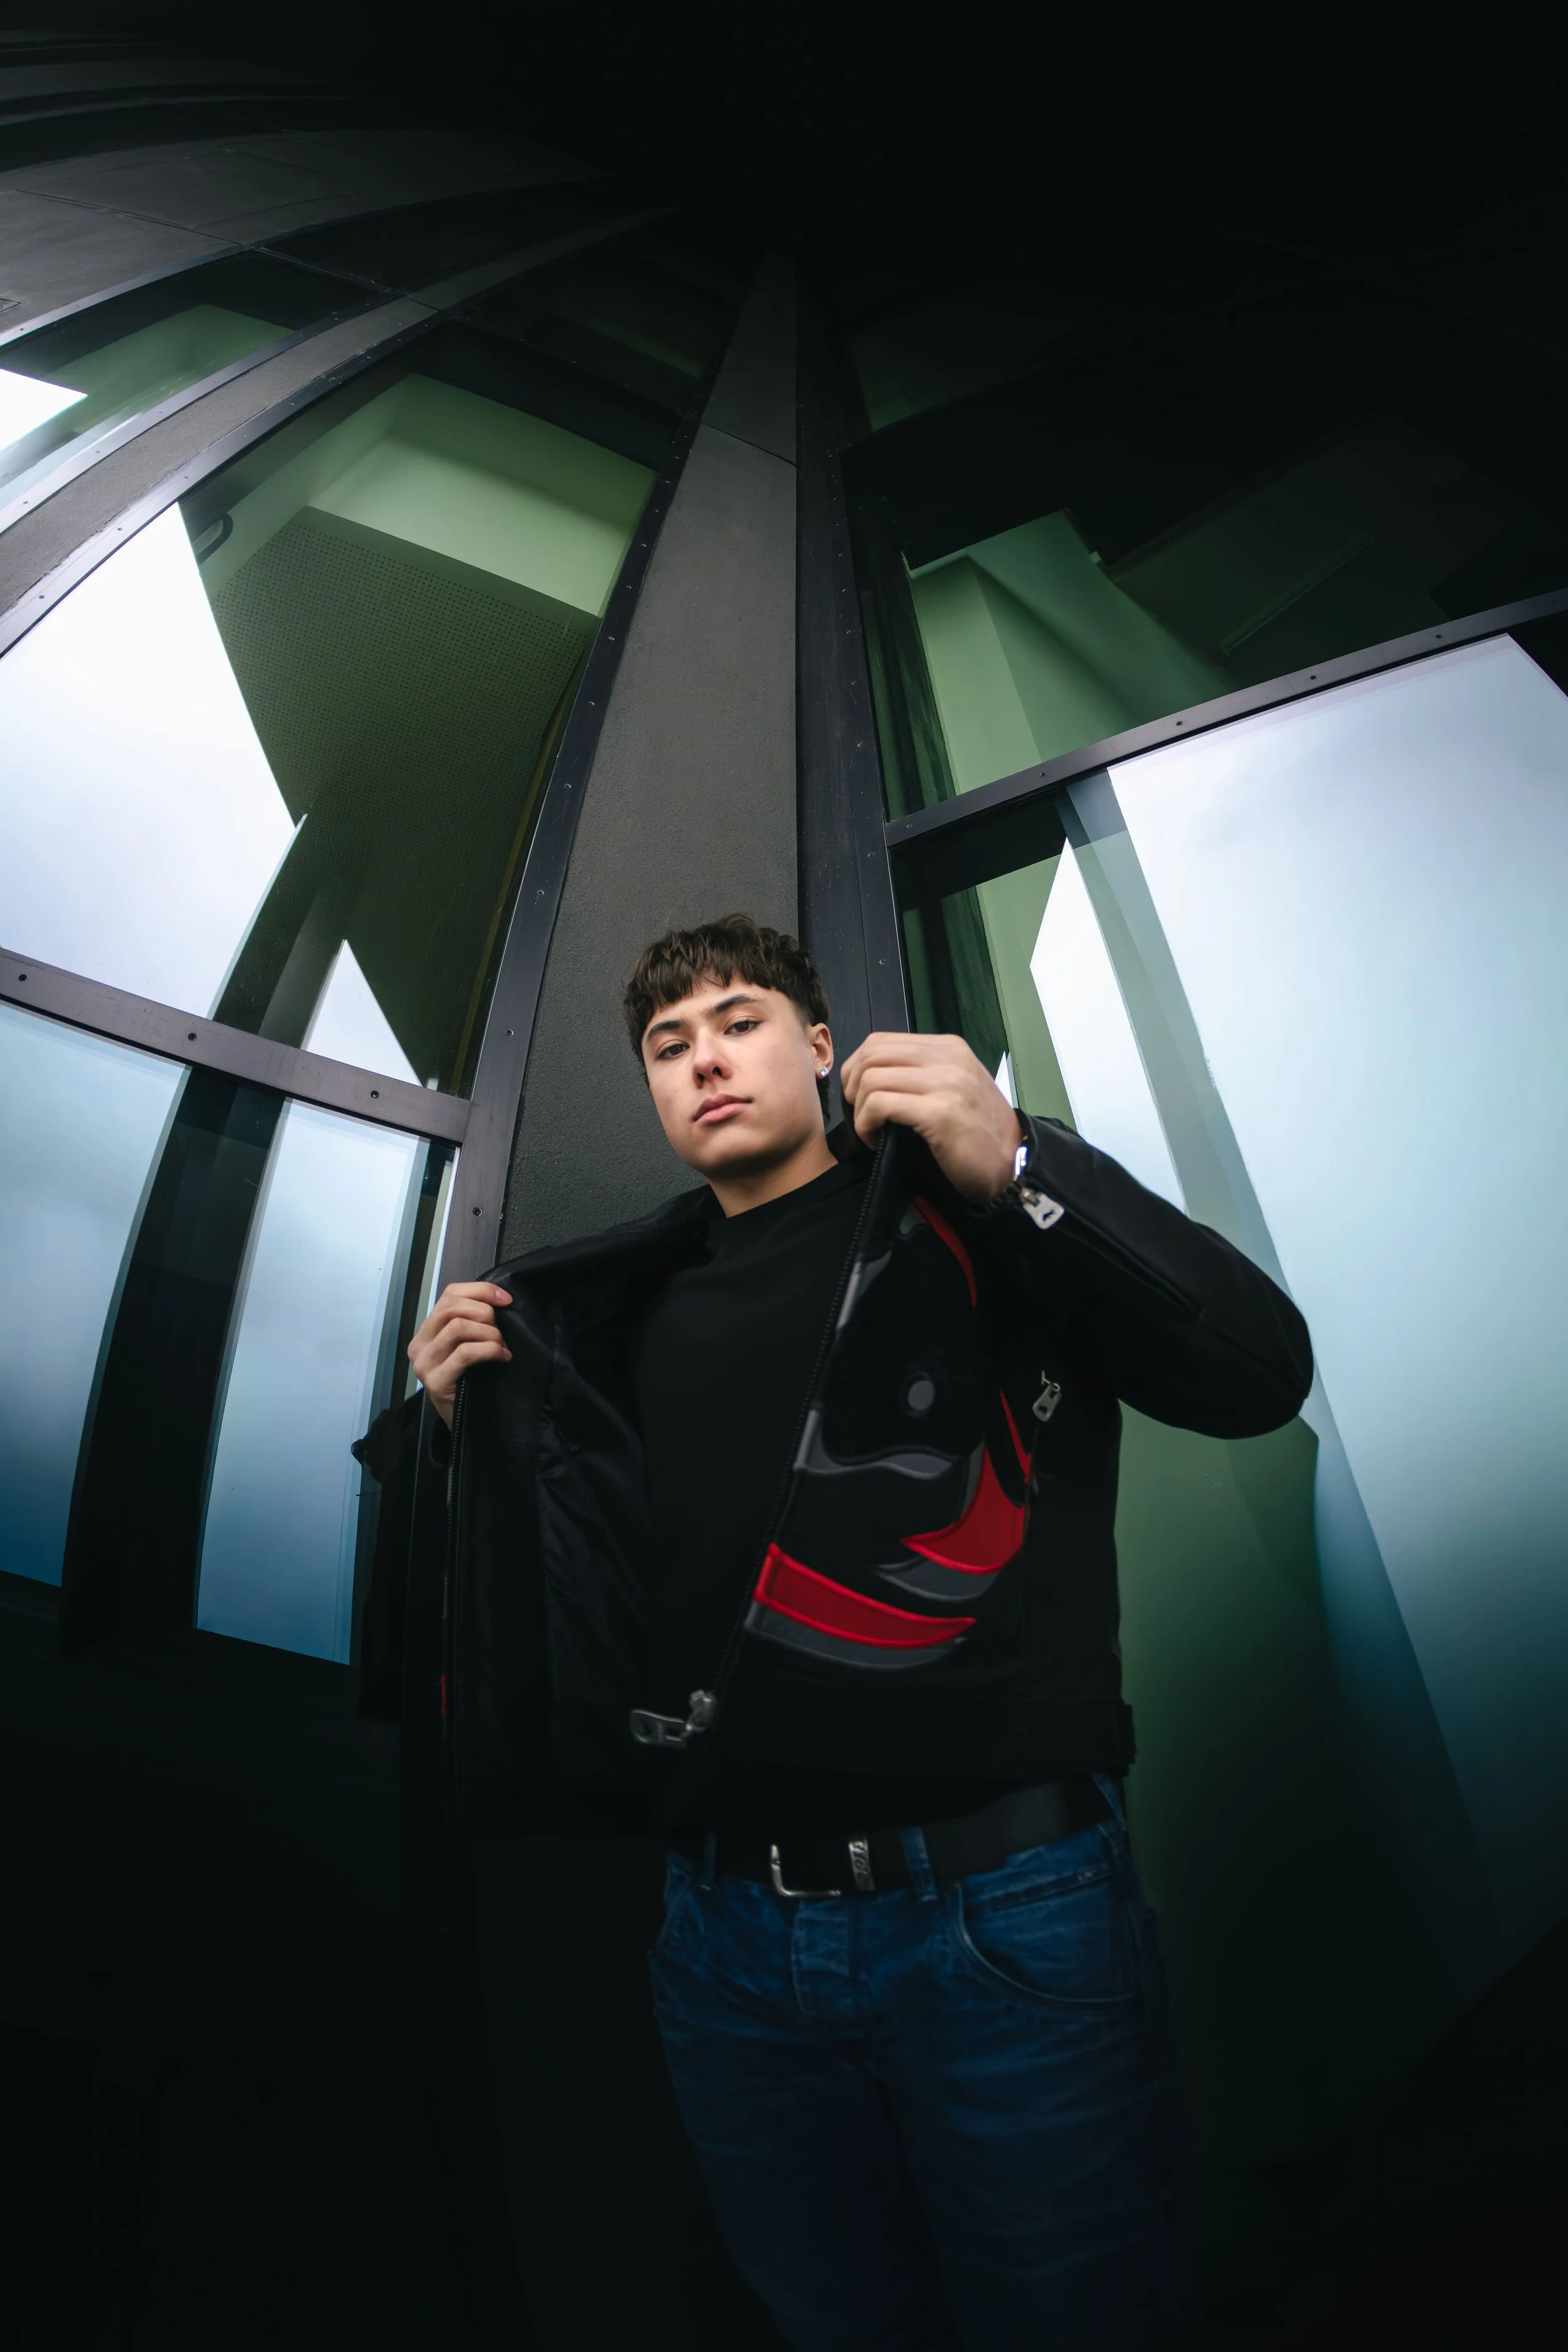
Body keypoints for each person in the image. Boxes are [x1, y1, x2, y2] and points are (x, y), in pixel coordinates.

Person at [408, 913, 1313, 2351]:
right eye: (668, 1045)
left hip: (998, 1913)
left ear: (821, 1045)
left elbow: (1258, 1373)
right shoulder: (608, 1317)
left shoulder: (969, 1215)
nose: (705, 1059)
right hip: (724, 1945)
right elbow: (605, 1606)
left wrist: (1023, 1163)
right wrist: (485, 1441)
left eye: (739, 1022)